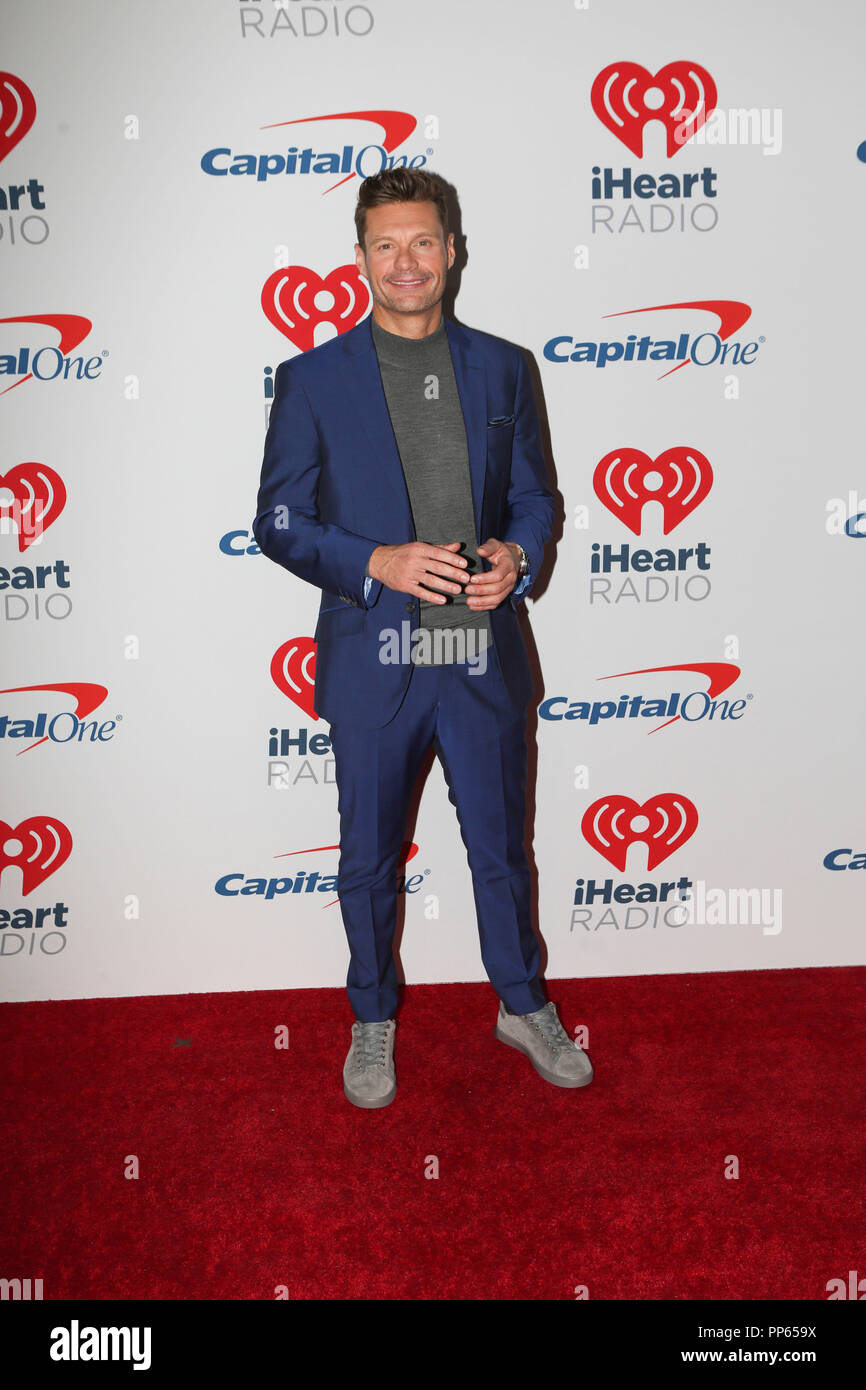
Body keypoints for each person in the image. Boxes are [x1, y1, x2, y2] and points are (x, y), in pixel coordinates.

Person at [253, 167, 593, 1107]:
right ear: (360, 257)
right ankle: (372, 1020)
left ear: (453, 250)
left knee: (501, 849)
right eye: (387, 244)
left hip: (480, 656)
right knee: (366, 856)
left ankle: (522, 1005)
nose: (407, 262)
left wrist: (517, 557)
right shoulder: (312, 380)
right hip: (377, 659)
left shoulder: (504, 366)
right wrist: (379, 562)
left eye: (424, 242)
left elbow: (535, 497)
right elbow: (277, 522)